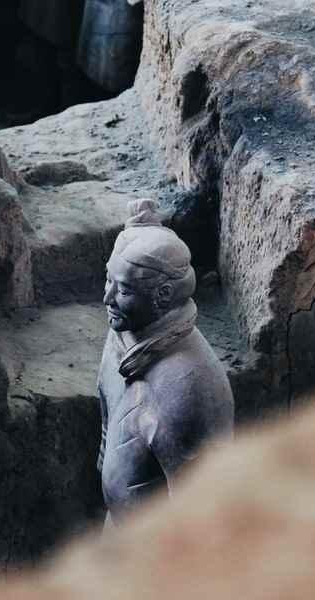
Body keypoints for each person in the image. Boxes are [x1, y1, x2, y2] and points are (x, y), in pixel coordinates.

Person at [98, 199, 234, 525]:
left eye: (125, 290)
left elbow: (199, 517)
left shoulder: (189, 387)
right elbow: (108, 420)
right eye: (109, 280)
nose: (107, 298)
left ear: (161, 296)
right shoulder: (125, 331)